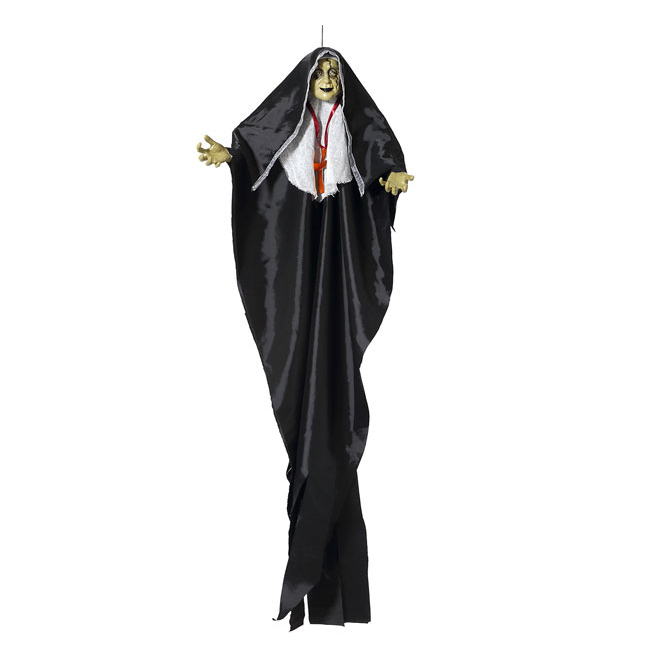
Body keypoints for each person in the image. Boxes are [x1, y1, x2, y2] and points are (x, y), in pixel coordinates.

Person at [197, 46, 414, 630]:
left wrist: (391, 179)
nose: (325, 78)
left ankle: (324, 582)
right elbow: (259, 149)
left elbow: (379, 156)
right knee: (304, 390)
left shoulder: (351, 127)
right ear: (305, 81)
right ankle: (324, 583)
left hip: (340, 256)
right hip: (299, 255)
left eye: (333, 72)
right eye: (319, 71)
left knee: (334, 395)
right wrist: (231, 155)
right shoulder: (295, 129)